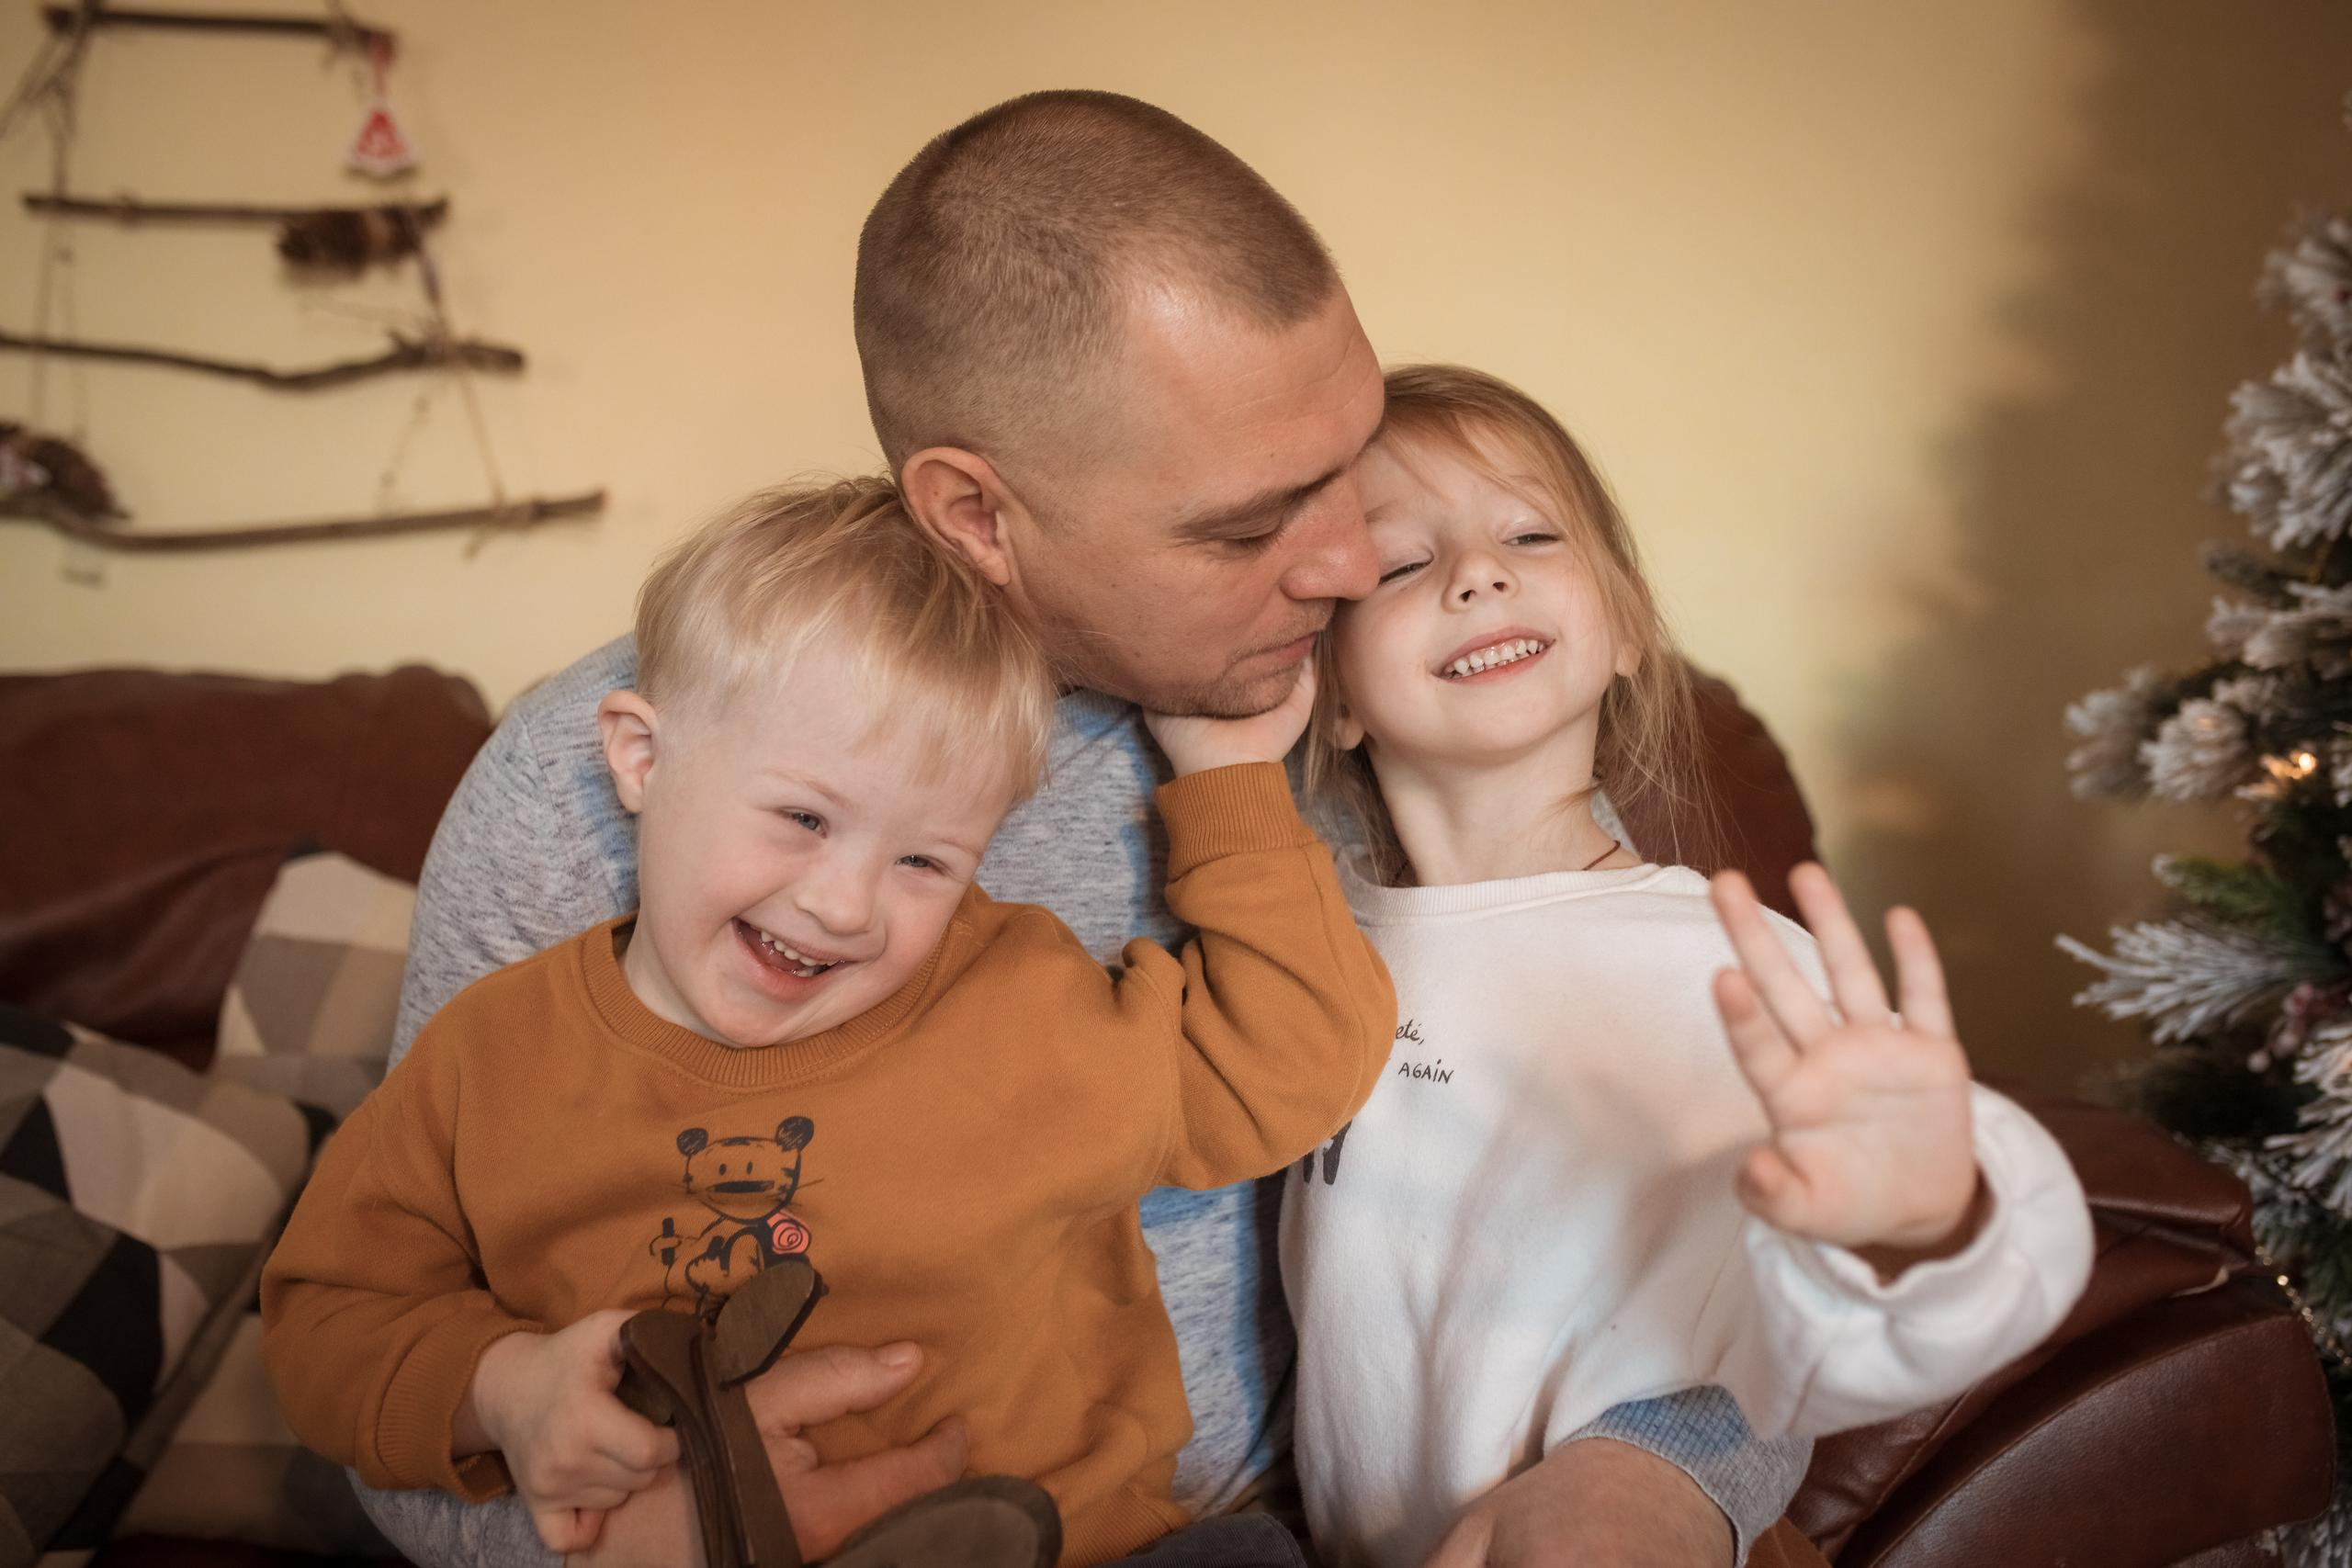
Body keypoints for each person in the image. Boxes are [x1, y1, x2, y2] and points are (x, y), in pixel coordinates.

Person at [364, 92, 1824, 1568]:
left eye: (1354, 467)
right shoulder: (625, 775)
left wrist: (1664, 1474)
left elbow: (1722, 1219)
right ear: (978, 515)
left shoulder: (1377, 696)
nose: (1343, 562)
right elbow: (384, 1357)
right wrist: (635, 1540)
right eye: (1251, 526)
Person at [266, 477, 1394, 1567]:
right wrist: (500, 1389)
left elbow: (1290, 1066)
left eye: (924, 859)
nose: (844, 906)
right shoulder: (490, 1058)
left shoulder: (1016, 1000)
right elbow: (326, 1317)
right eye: (803, 816)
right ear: (641, 759)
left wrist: (1231, 784)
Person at [1283, 365, 2095, 1568]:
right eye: (1402, 562)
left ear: (1625, 623)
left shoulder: (1733, 965)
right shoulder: (1304, 945)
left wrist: (1933, 1221)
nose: (1478, 570)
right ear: (1335, 693)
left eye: (1529, 532)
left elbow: (1835, 1345)